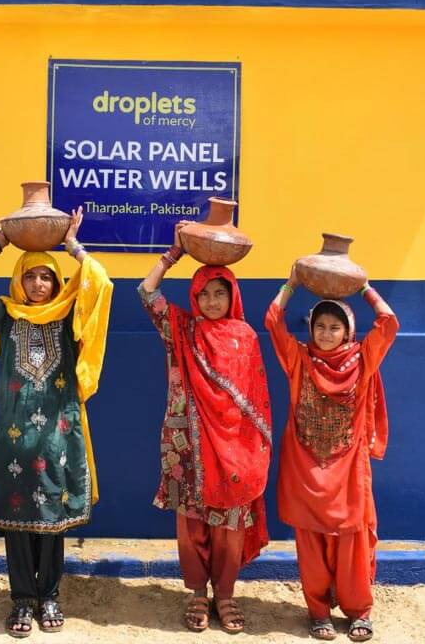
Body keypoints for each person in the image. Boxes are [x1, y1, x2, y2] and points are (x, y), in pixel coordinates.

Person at [0, 208, 112, 638]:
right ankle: (22, 600)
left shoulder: (66, 318)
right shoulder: (5, 316)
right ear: (19, 282)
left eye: (47, 277)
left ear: (58, 283)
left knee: (52, 520)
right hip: (14, 441)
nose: (40, 285)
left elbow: (100, 281)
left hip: (56, 438)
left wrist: (72, 246)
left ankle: (50, 597)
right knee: (16, 522)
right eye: (32, 277)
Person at [138, 222, 272, 634]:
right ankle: (198, 593)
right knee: (192, 523)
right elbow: (147, 293)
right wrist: (173, 254)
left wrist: (250, 448)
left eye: (220, 292)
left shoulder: (246, 336)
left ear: (233, 295)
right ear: (194, 296)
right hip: (187, 446)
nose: (212, 301)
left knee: (229, 527)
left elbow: (258, 403)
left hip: (235, 448)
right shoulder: (182, 329)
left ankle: (226, 594)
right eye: (204, 293)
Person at [265, 268, 398, 642]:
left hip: (349, 472)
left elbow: (388, 322)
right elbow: (272, 319)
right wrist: (290, 284)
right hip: (304, 470)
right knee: (311, 545)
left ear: (348, 332)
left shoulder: (363, 360)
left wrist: (365, 287)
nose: (325, 333)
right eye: (319, 326)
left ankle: (360, 610)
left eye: (334, 327)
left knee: (352, 543)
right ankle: (318, 612)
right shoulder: (298, 361)